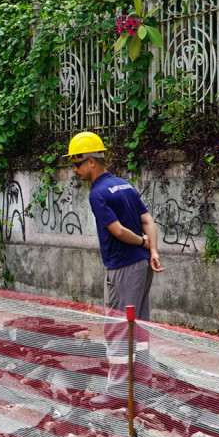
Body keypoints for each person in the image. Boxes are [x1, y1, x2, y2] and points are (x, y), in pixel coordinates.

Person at [64, 131, 164, 407]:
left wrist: (144, 243)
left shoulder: (98, 193)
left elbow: (118, 230)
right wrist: (152, 250)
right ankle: (140, 384)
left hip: (123, 266)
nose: (75, 170)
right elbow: (148, 219)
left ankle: (119, 392)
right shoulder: (125, 185)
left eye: (77, 163)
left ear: (92, 162)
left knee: (118, 327)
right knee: (138, 325)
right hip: (142, 265)